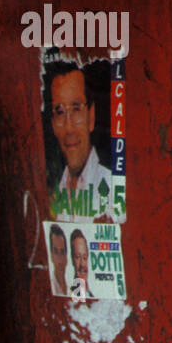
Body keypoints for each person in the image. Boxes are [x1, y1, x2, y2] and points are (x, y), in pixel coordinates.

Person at [48, 64, 113, 219]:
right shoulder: (52, 195)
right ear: (53, 125)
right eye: (60, 112)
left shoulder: (111, 186)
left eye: (76, 109)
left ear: (91, 117)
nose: (69, 127)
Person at [70, 228, 92, 299]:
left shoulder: (92, 296)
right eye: (78, 257)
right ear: (72, 259)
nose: (82, 264)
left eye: (85, 258)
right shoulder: (69, 296)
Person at [48, 223, 69, 296]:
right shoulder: (49, 287)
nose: (60, 258)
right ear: (51, 255)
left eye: (62, 252)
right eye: (56, 252)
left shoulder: (73, 286)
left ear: (66, 256)